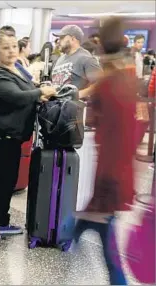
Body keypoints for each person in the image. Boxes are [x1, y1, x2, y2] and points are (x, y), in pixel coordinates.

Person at [73, 17, 139, 285]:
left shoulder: (112, 83)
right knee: (93, 221)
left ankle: (118, 280)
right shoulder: (125, 80)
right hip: (118, 170)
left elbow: (114, 138)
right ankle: (76, 232)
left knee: (103, 230)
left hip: (110, 174)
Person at [0, 30, 56, 245]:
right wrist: (41, 92)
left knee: (9, 181)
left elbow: (30, 88)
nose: (11, 50)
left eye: (14, 46)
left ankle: (2, 221)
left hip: (12, 138)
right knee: (5, 183)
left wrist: (40, 90)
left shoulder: (18, 68)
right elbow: (17, 97)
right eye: (6, 47)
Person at [51, 25, 102, 99]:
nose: (58, 41)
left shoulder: (85, 58)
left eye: (62, 38)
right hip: (58, 106)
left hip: (75, 107)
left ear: (72, 39)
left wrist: (78, 94)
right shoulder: (60, 59)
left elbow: (101, 84)